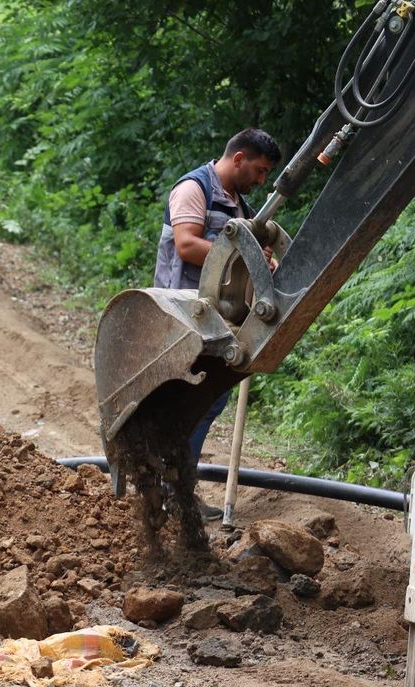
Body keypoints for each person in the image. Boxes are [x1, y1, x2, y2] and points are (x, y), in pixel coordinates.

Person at [154, 128, 280, 521]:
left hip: (214, 320)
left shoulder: (238, 206)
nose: (261, 180)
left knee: (208, 401)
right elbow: (187, 245)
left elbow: (240, 259)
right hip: (182, 314)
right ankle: (170, 492)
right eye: (259, 170)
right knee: (185, 404)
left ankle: (176, 490)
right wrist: (244, 256)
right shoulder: (194, 189)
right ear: (239, 158)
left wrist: (261, 261)